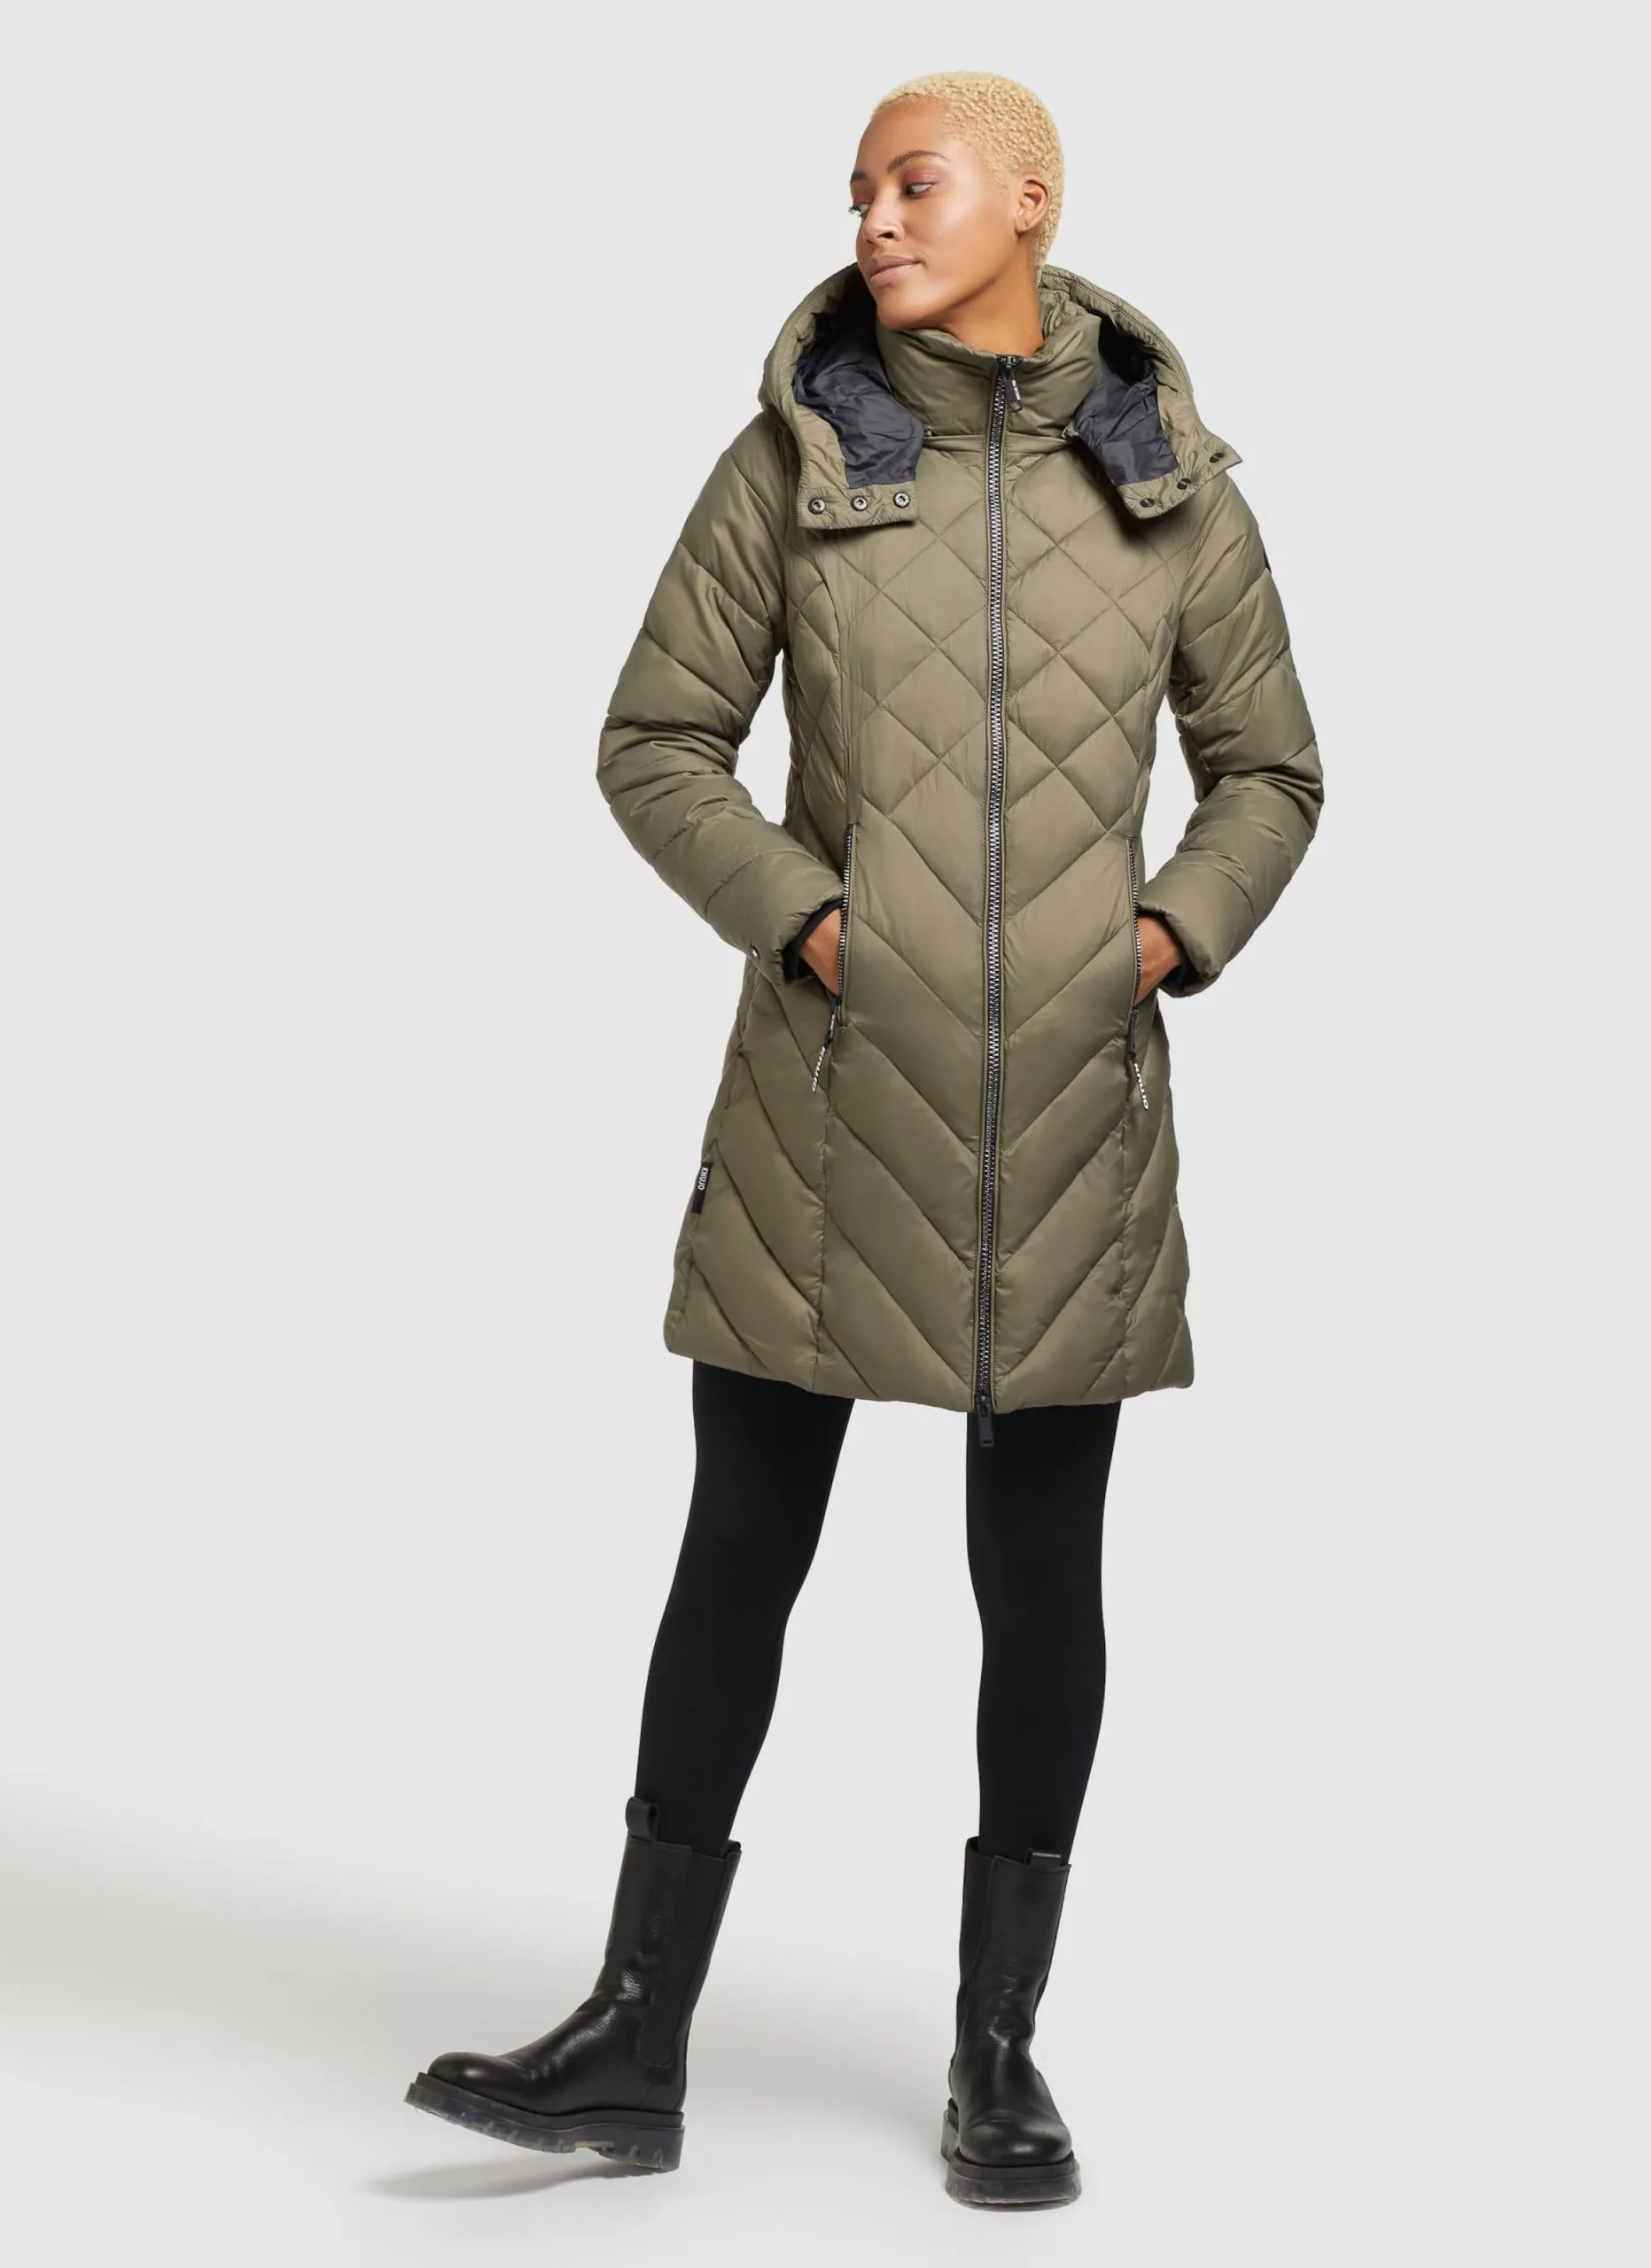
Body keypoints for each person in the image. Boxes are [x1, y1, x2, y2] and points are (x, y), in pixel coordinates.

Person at [405, 69, 1322, 2208]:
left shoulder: (1175, 486)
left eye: (916, 182)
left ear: (1032, 200)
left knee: (1042, 1578)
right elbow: (657, 737)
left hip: (1073, 1115)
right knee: (739, 1546)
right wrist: (812, 918)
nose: (875, 219)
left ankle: (999, 2051)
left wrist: (1166, 932)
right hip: (825, 1106)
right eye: (858, 191)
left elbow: (1272, 768)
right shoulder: (796, 458)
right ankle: (634, 2031)